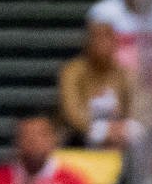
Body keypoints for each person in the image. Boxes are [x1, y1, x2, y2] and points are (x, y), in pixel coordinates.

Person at [57, 21, 137, 149]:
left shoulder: (125, 74)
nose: (102, 43)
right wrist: (104, 130)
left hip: (119, 132)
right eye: (97, 38)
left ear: (115, 43)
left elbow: (138, 108)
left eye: (107, 37)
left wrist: (119, 127)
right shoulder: (73, 71)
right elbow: (71, 112)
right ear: (87, 43)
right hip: (82, 135)